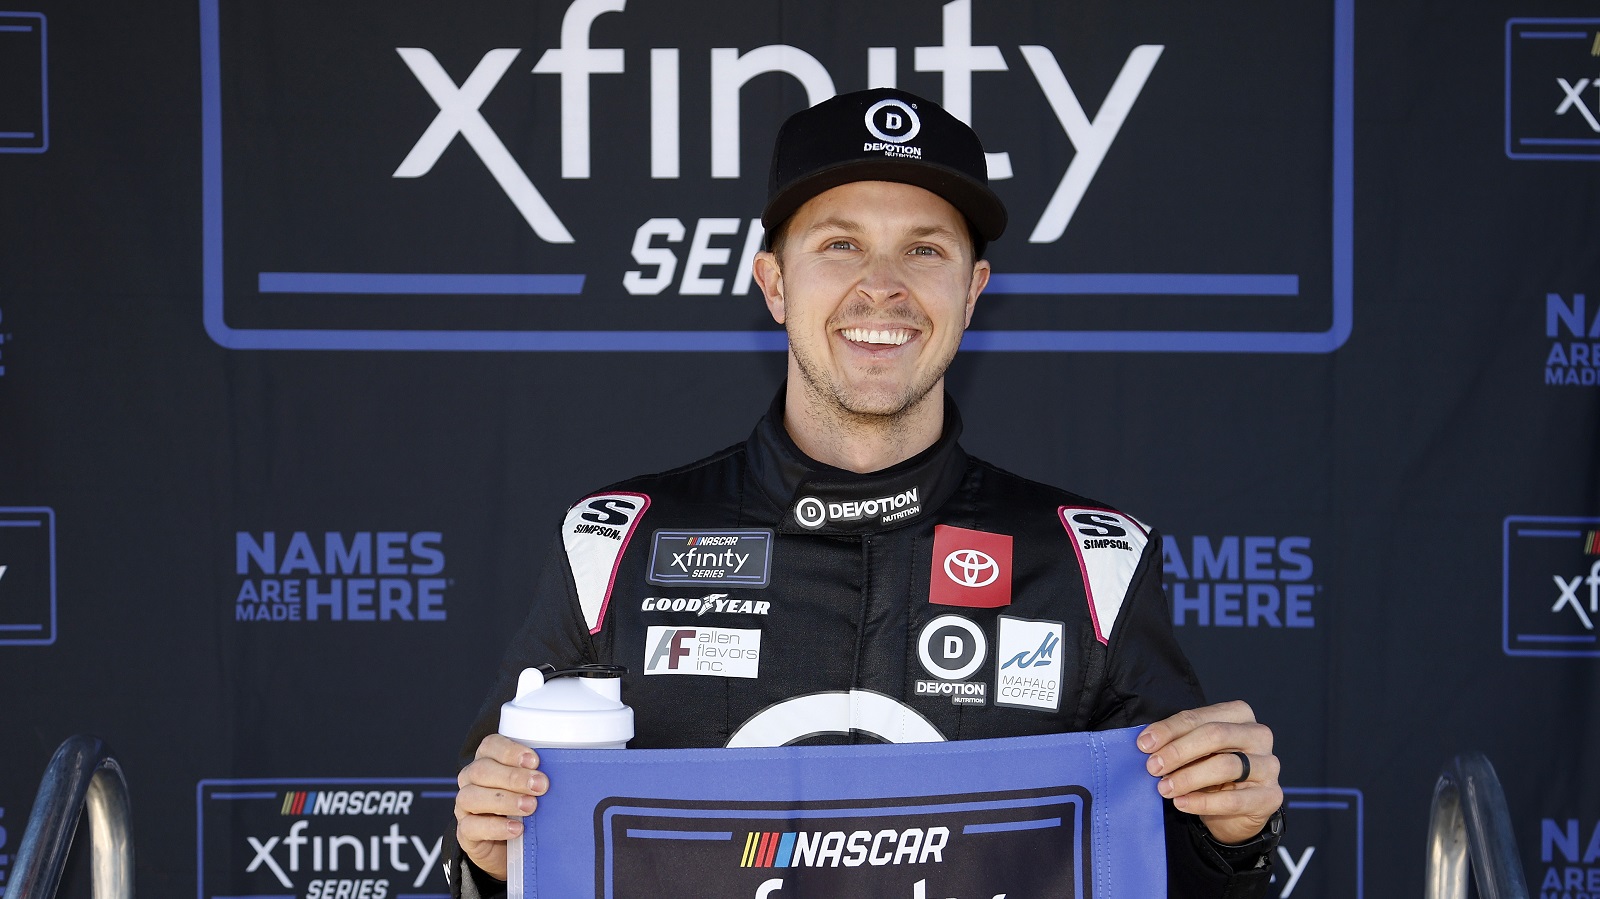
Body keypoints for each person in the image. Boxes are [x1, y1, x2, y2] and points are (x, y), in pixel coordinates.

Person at [448, 87, 1284, 898]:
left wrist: (1233, 838)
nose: (882, 285)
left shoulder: (1087, 560)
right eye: (840, 244)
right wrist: (488, 865)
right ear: (774, 284)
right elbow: (512, 854)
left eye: (924, 249)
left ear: (973, 290)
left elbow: (1160, 868)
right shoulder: (617, 545)